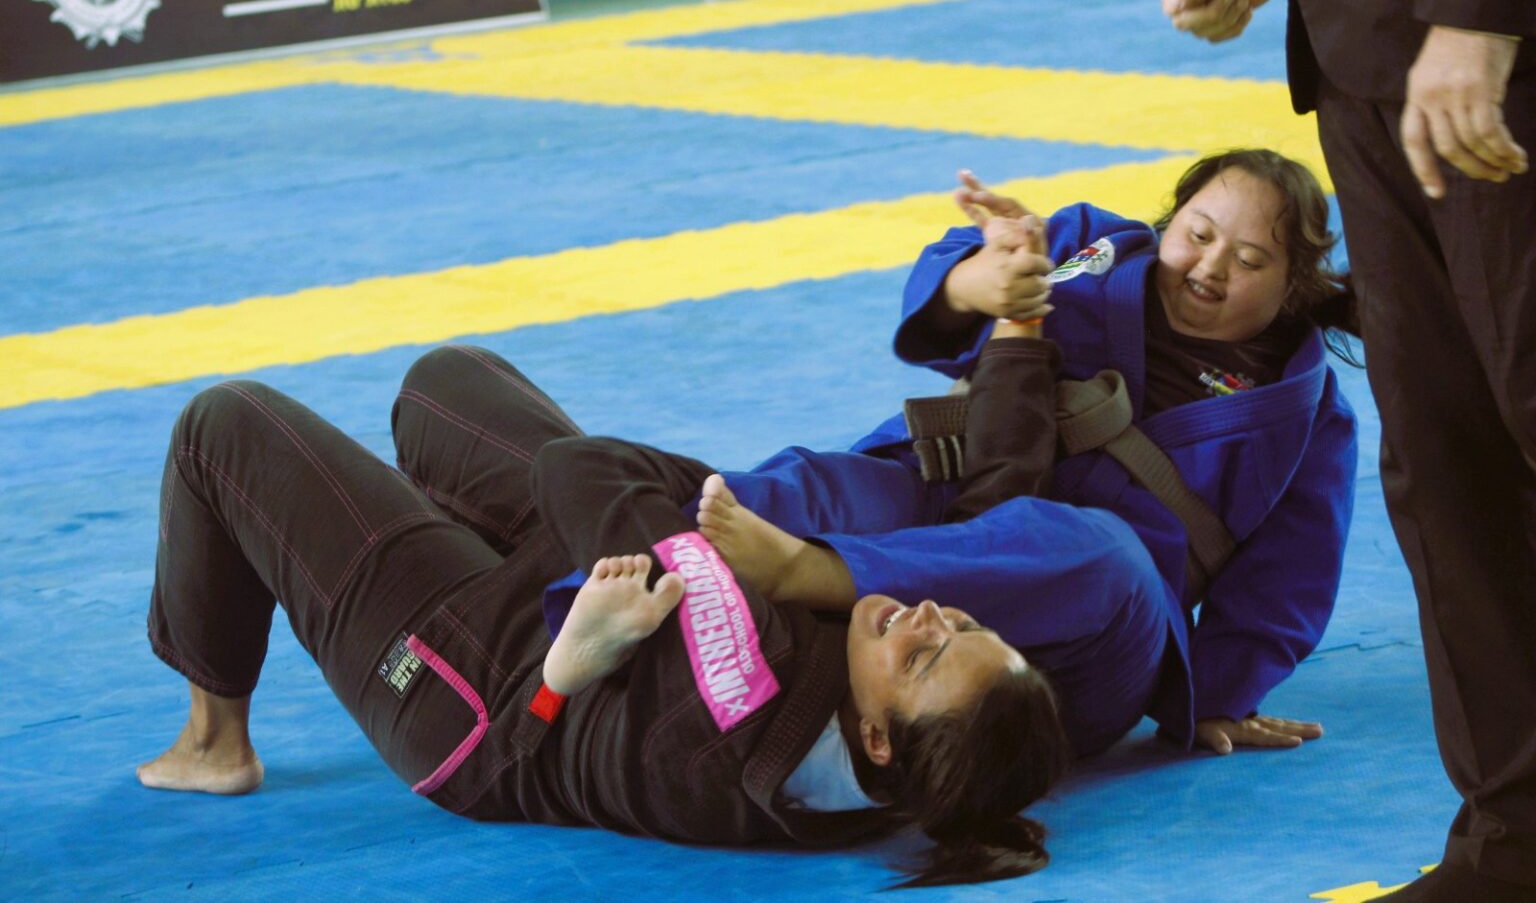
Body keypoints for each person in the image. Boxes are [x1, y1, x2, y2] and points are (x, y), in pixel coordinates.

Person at [136, 339, 1075, 888]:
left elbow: (581, 470)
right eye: (965, 625)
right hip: (602, 607)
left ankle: (213, 742)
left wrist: (729, 534)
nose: (927, 614)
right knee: (444, 382)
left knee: (224, 424)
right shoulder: (917, 777)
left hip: (481, 688)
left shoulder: (739, 666)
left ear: (874, 736)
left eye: (924, 656)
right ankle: (454, 529)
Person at [651, 148, 1358, 761]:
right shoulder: (1091, 246)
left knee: (1096, 549)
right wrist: (977, 283)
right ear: (1169, 222)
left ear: (1293, 286)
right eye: (1197, 234)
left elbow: (1290, 575)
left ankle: (815, 573)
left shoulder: (1306, 414)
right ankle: (614, 592)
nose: (1211, 265)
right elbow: (963, 270)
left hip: (1085, 628)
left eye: (1250, 260)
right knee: (794, 492)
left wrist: (1215, 695)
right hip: (946, 502)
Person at [1162, 0, 1536, 900]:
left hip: (1498, 23)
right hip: (1362, 40)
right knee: (1442, 454)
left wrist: (1479, 7)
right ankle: (1514, 843)